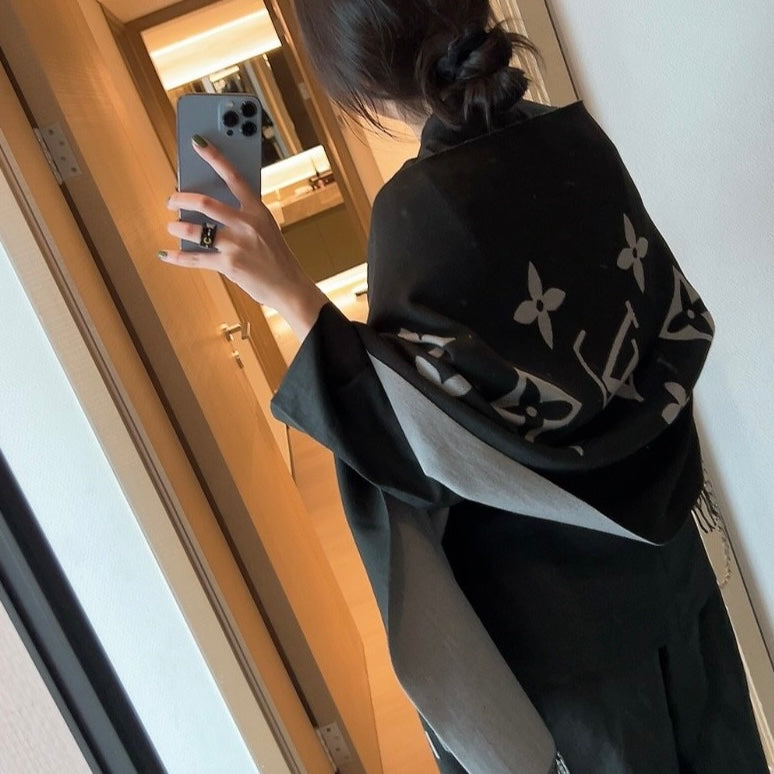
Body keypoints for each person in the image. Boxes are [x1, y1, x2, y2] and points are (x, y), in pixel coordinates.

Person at [159, 2, 769, 772]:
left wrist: (290, 295)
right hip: (675, 576)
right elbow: (660, 332)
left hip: (567, 640)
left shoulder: (417, 214)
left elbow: (427, 454)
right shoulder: (576, 139)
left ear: (356, 75)